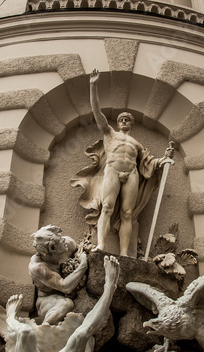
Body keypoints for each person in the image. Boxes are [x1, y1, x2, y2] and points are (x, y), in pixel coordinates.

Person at [70, 69, 171, 256]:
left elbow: (148, 162)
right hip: (113, 170)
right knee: (107, 207)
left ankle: (124, 254)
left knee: (127, 213)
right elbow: (97, 112)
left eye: (127, 119)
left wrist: (163, 160)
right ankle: (101, 245)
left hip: (131, 173)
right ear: (117, 123)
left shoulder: (136, 144)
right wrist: (93, 86)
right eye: (121, 119)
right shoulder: (110, 133)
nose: (124, 121)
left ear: (131, 124)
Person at [28, 224, 88, 324]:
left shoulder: (67, 244)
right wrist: (83, 265)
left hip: (74, 292)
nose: (63, 240)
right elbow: (65, 287)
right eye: (59, 240)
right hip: (47, 300)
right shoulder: (38, 267)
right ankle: (42, 332)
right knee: (65, 304)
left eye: (60, 237)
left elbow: (81, 251)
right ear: (52, 248)